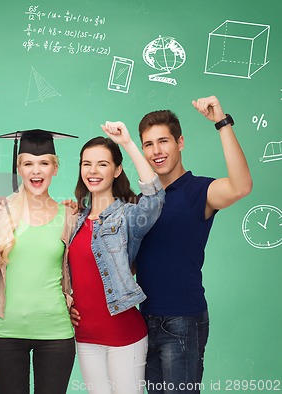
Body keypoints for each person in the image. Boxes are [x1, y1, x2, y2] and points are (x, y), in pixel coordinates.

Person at [134, 96, 252, 393]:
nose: (156, 151)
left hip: (182, 320)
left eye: (164, 141)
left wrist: (221, 123)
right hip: (142, 319)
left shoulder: (199, 191)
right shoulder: (141, 201)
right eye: (148, 144)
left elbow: (241, 186)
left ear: (180, 142)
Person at [68, 122, 165, 394]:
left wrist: (128, 143)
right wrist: (67, 301)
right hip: (85, 336)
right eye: (86, 164)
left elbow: (155, 198)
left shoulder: (128, 216)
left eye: (102, 164)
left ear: (117, 169)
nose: (93, 171)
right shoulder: (74, 220)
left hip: (124, 334)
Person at [0, 129, 77, 394]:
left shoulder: (69, 215)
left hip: (55, 332)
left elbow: (77, 270)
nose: (36, 171)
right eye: (28, 164)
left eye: (44, 163)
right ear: (19, 169)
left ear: (55, 168)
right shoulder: (1, 212)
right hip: (6, 332)